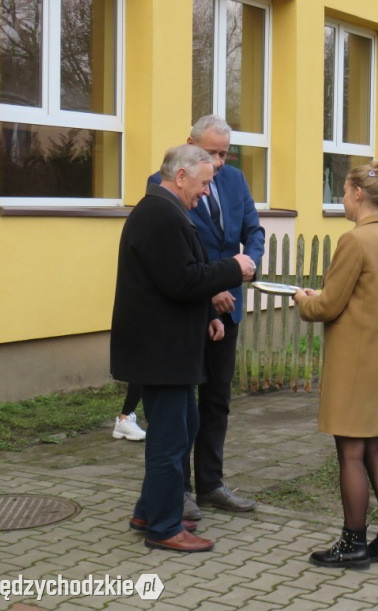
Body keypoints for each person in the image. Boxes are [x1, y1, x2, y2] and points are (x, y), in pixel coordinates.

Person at [111, 144, 254, 553]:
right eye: (205, 183)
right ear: (181, 177)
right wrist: (234, 269)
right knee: (170, 441)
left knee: (183, 427)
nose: (207, 192)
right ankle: (163, 527)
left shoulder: (165, 210)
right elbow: (182, 280)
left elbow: (173, 281)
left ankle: (147, 510)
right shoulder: (160, 214)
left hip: (166, 347)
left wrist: (206, 312)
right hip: (161, 353)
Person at [293, 160, 378, 569]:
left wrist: (303, 300)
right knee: (372, 447)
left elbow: (328, 305)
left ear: (358, 194)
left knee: (351, 454)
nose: (341, 199)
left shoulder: (354, 240)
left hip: (355, 363)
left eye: (343, 192)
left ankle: (352, 543)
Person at [148, 115, 265, 519]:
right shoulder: (163, 185)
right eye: (211, 153)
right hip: (191, 308)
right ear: (191, 145)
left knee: (217, 401)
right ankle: (178, 491)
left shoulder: (235, 180)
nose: (217, 163)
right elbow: (181, 252)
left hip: (227, 307)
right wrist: (210, 288)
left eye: (223, 154)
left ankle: (211, 484)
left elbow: (253, 229)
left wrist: (248, 263)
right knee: (182, 407)